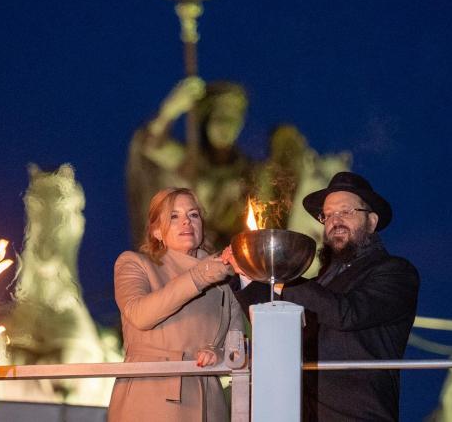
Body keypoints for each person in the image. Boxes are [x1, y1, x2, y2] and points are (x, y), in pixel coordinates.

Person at [227, 172, 420, 421]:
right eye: (327, 215)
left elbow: (347, 313)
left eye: (346, 212)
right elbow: (273, 316)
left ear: (371, 222)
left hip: (359, 415)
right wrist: (248, 272)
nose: (334, 221)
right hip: (302, 411)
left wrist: (281, 274)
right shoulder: (321, 281)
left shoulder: (395, 272)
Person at [109, 187, 244, 422]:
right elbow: (139, 315)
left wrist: (218, 354)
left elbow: (237, 348)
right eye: (174, 216)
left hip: (209, 403)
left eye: (193, 215)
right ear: (156, 231)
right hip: (150, 396)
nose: (186, 223)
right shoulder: (135, 264)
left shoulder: (224, 280)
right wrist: (199, 276)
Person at [126, 77, 251, 249]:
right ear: (207, 121)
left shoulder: (248, 172)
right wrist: (170, 111)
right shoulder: (188, 162)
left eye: (232, 119)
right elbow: (150, 145)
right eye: (220, 118)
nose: (226, 127)